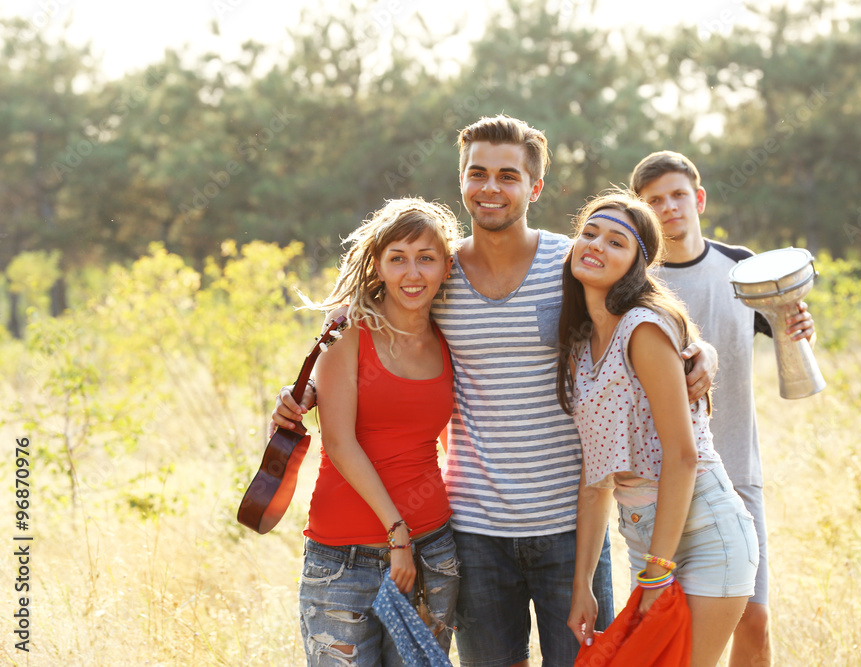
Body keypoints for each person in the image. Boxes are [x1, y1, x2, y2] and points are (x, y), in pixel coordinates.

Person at [274, 115, 720, 667]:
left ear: (533, 188)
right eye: (477, 172)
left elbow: (646, 307)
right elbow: (369, 317)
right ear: (460, 179)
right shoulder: (436, 272)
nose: (490, 187)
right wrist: (310, 385)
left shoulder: (573, 264)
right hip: (474, 530)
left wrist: (700, 349)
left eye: (508, 176)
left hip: (570, 524)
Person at [631, 150, 817, 667]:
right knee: (675, 623)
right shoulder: (639, 281)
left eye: (677, 195)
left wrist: (798, 325)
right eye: (654, 201)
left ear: (699, 199)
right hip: (666, 475)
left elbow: (786, 332)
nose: (668, 208)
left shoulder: (742, 266)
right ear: (642, 210)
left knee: (753, 617)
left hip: (737, 465)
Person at [559, 190, 758, 667]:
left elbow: (683, 455)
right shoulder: (581, 347)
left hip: (705, 533)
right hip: (647, 537)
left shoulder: (643, 329)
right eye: (589, 234)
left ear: (635, 266)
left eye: (616, 242)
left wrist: (657, 571)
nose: (597, 245)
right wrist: (583, 584)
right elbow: (595, 482)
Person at [295, 197, 462, 666]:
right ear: (378, 265)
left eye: (426, 258)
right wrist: (396, 533)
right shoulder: (347, 332)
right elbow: (340, 443)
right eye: (398, 259)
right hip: (342, 559)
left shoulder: (451, 337)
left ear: (446, 266)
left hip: (433, 552)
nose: (413, 274)